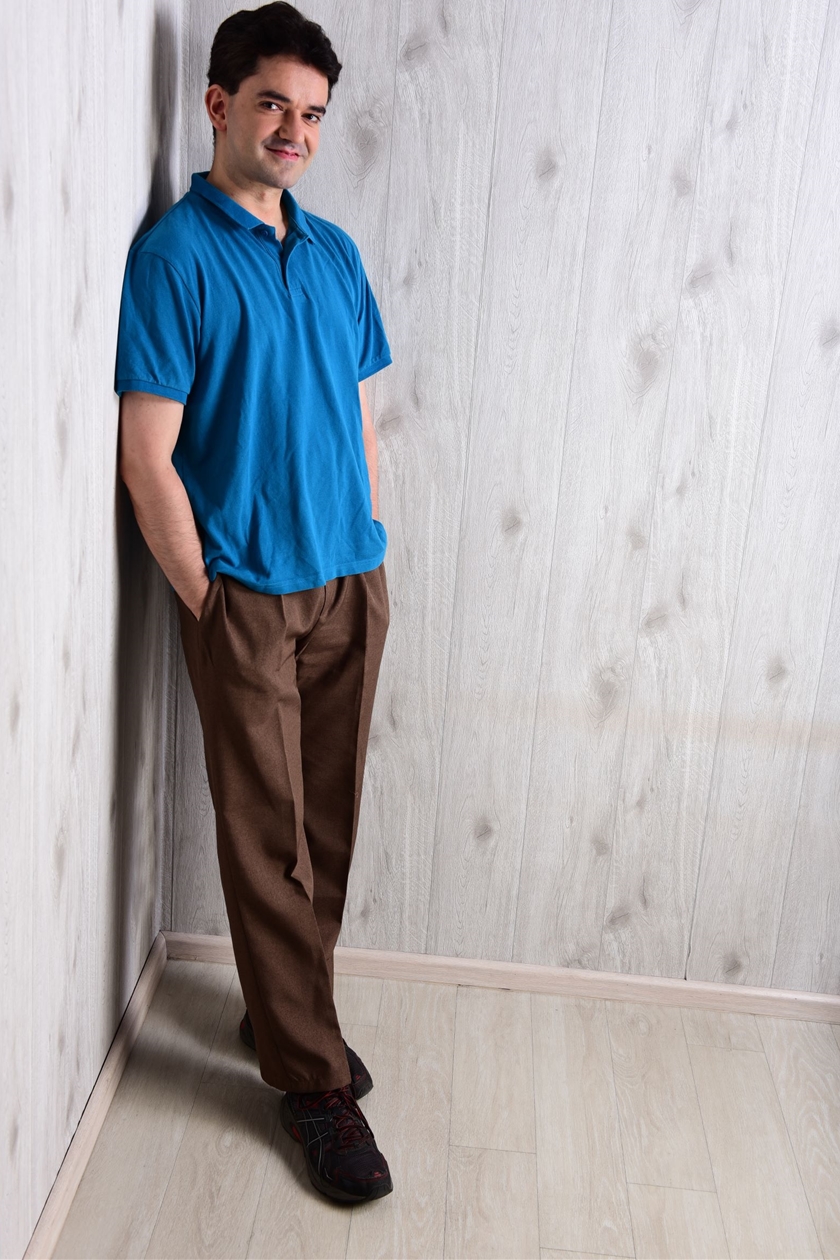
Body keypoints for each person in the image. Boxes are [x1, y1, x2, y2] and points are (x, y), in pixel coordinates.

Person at [115, 2, 394, 1205]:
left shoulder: (335, 255)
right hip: (247, 599)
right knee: (267, 840)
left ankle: (291, 1019)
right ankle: (310, 1083)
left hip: (349, 583)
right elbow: (148, 457)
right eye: (274, 103)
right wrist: (209, 600)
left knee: (324, 828)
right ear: (220, 104)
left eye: (313, 114)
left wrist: (369, 548)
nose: (295, 131)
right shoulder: (174, 258)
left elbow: (364, 417)